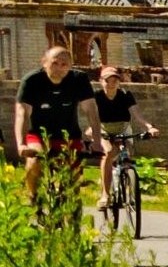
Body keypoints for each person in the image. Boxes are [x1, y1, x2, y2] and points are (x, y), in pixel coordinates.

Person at [13, 46, 99, 205]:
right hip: (39, 135)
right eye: (55, 63)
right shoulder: (32, 81)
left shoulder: (79, 79)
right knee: (35, 161)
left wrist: (97, 141)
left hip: (69, 135)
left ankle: (71, 213)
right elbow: (22, 113)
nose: (60, 68)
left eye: (64, 64)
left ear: (71, 66)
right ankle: (33, 195)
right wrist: (21, 144)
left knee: (74, 178)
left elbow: (91, 111)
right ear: (44, 63)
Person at [91, 66, 160, 210]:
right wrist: (92, 130)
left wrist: (149, 127)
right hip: (105, 129)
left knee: (128, 154)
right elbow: (93, 118)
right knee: (108, 153)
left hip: (123, 127)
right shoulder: (96, 97)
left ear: (118, 82)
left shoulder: (125, 95)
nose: (111, 83)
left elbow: (137, 116)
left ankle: (129, 187)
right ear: (101, 81)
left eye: (114, 80)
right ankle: (105, 194)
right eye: (107, 80)